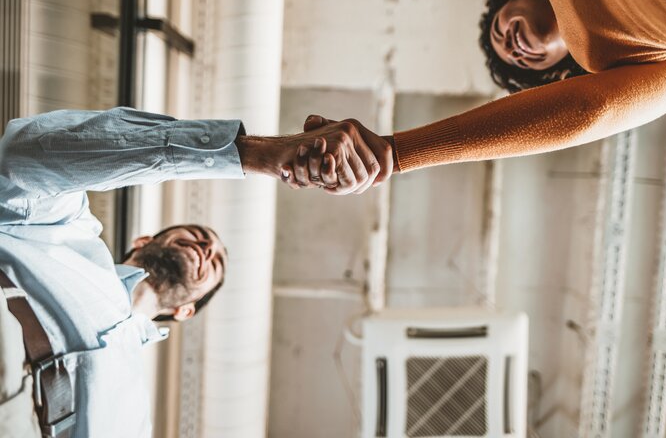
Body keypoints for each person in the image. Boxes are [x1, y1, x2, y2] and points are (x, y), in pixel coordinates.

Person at [0, 106, 386, 437]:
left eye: (213, 261)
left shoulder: (136, 419)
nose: (206, 248)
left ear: (187, 309)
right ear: (143, 240)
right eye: (200, 236)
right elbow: (21, 158)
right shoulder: (66, 233)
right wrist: (253, 154)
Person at [287, 0, 666, 193]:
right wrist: (398, 151)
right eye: (522, 63)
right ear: (559, 70)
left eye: (498, 30)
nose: (511, 48)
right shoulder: (614, 63)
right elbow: (589, 110)